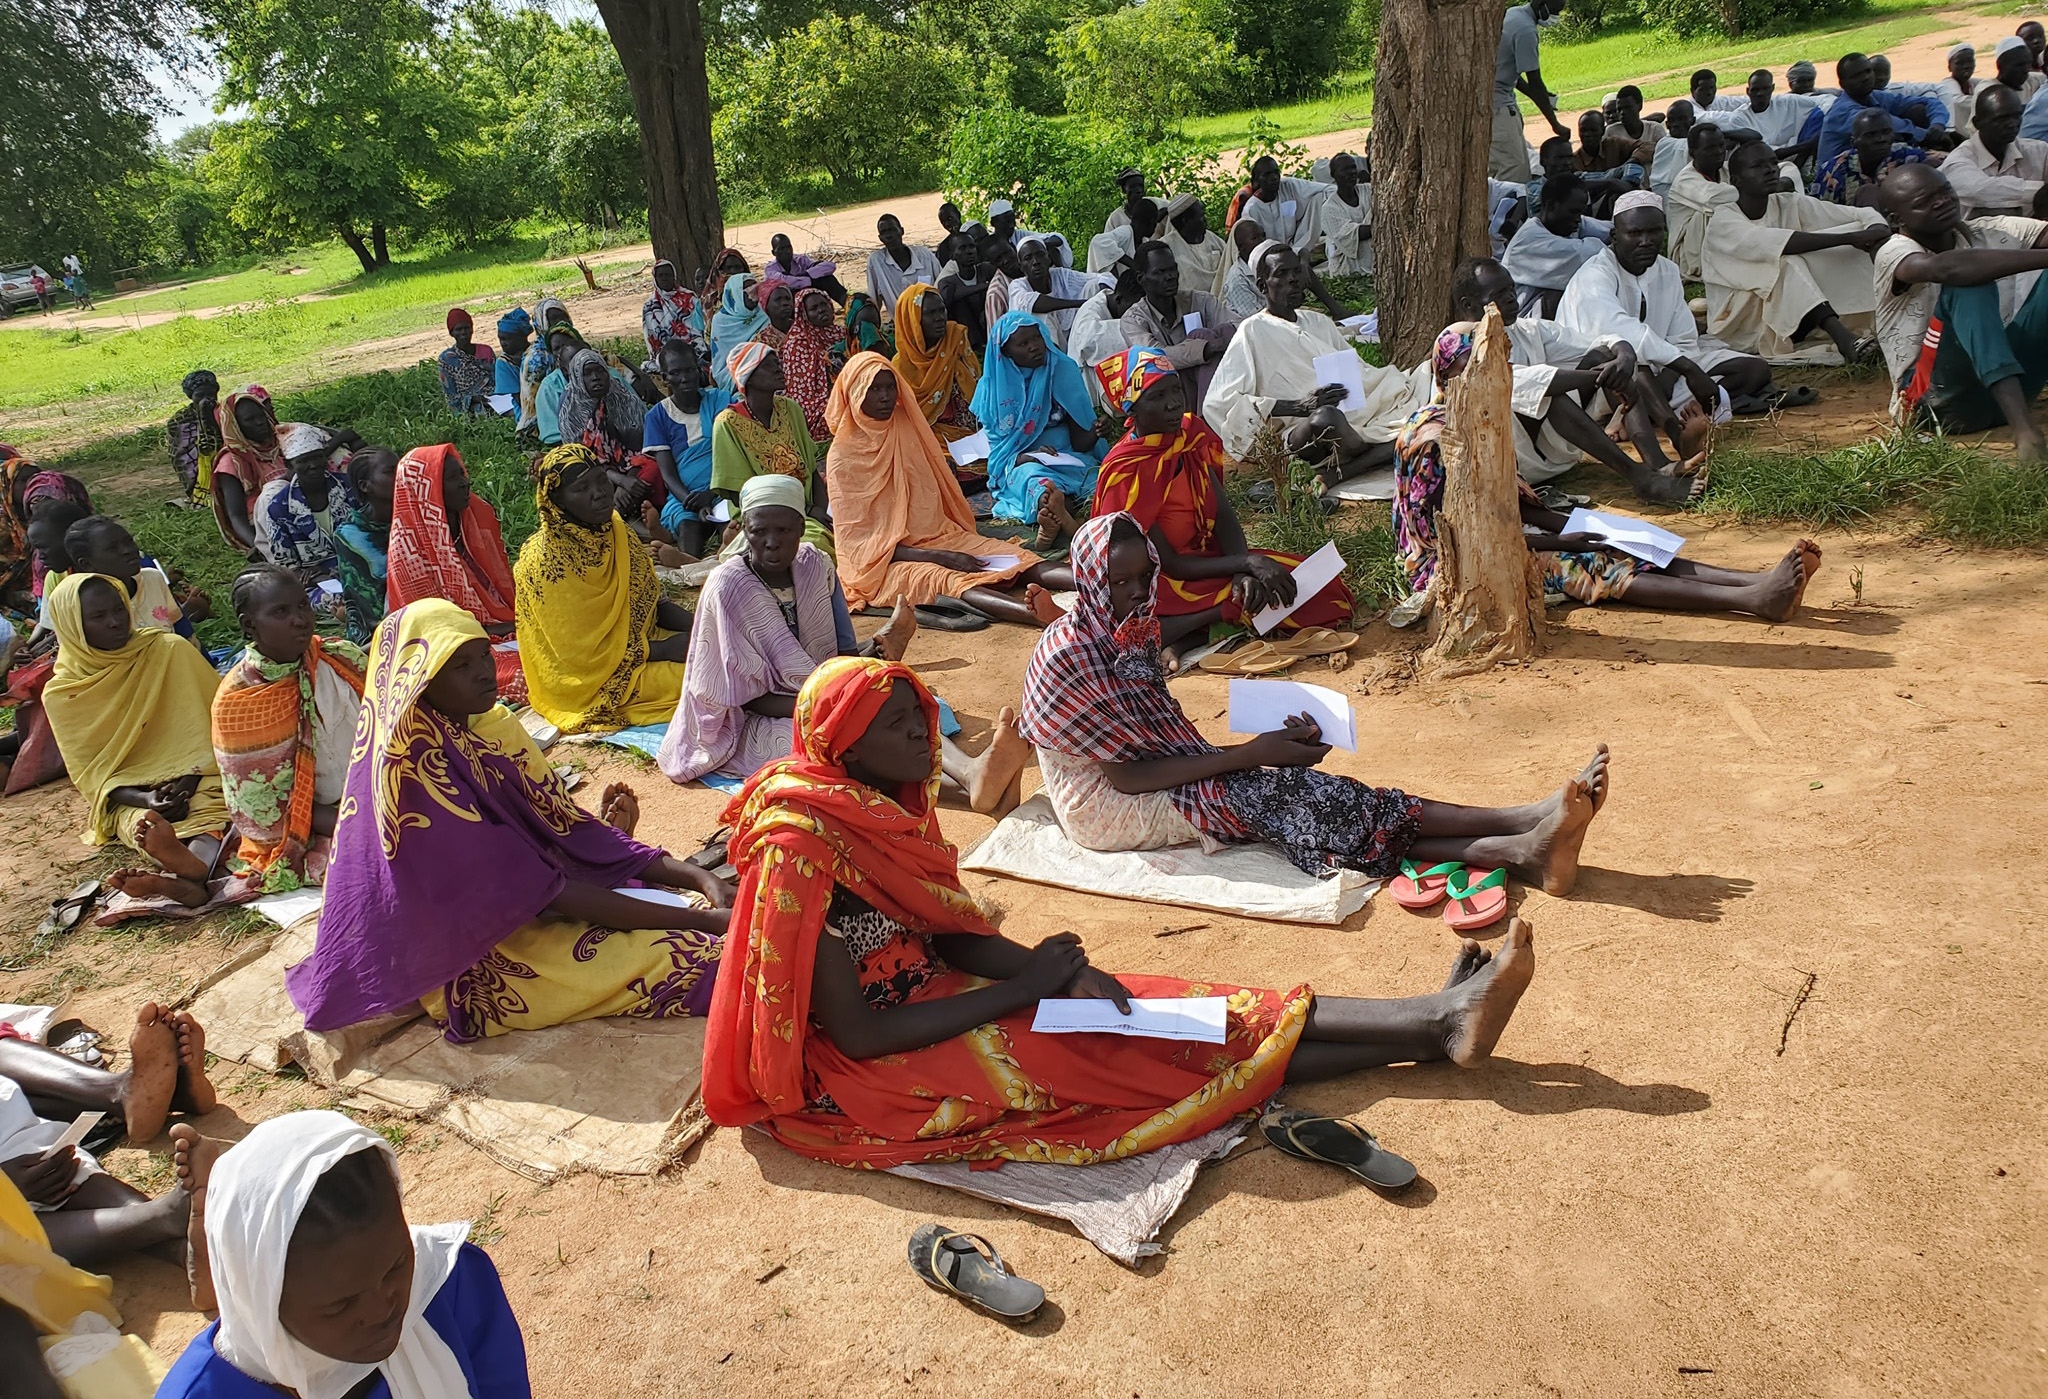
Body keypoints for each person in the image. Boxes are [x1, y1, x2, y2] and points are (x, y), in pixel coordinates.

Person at [702, 651, 1544, 1168]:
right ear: (841, 748)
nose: (925, 741)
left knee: (1154, 1011)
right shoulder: (801, 852)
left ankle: (1434, 1023)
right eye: (897, 728)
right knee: (1133, 1060)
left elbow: (955, 936)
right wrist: (1029, 987)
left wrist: (1062, 973)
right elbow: (860, 1035)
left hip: (951, 1006)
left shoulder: (879, 813)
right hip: (878, 1069)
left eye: (919, 717)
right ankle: (1433, 1024)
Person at [1021, 514, 1606, 891]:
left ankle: (1520, 840)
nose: (1137, 593)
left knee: (1295, 797)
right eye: (1119, 583)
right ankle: (1516, 833)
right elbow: (1126, 777)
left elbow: (1155, 727)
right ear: (1091, 581)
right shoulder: (1072, 655)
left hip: (1150, 773)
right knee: (1276, 794)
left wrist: (1259, 749)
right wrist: (1249, 755)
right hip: (1102, 805)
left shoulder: (1127, 626)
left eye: (1143, 576)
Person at [288, 599, 730, 1040]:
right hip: (471, 955)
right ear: (418, 683)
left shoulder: (475, 733)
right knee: (695, 958)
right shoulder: (416, 774)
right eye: (460, 665)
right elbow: (546, 893)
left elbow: (570, 828)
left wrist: (700, 879)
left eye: (482, 654)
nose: (484, 670)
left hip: (525, 899)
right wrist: (700, 920)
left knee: (673, 918)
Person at [1399, 327, 1824, 623]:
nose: (1505, 378)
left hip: (1501, 535)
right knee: (1587, 564)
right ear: (1458, 376)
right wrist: (1562, 540)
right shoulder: (1435, 443)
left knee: (1626, 542)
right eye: (1493, 370)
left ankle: (1753, 581)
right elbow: (1460, 541)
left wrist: (1590, 526)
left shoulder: (1473, 421)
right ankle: (1752, 601)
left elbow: (1509, 506)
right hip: (1448, 565)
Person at [156, 1110, 533, 1397]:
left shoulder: (451, 1285)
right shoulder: (208, 1391)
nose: (381, 1310)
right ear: (264, 1304)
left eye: (397, 1265)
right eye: (340, 1305)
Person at [1092, 348, 1351, 662]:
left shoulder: (1187, 437)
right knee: (1132, 631)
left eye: (1175, 389)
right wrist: (1245, 566)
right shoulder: (1127, 471)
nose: (1174, 402)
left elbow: (1223, 515)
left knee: (1323, 592)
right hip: (1158, 582)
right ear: (1132, 409)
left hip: (1207, 562)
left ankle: (1206, 624)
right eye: (1157, 396)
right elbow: (1168, 563)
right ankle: (1214, 615)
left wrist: (1241, 571)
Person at [825, 353, 1074, 625]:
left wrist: (944, 550)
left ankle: (1098, 579)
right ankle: (1040, 616)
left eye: (889, 387)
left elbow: (929, 504)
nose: (885, 396)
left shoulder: (904, 425)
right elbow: (860, 546)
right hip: (881, 566)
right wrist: (940, 557)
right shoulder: (843, 457)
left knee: (1015, 558)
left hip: (938, 536)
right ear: (854, 392)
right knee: (947, 580)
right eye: (874, 389)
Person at [44, 574, 231, 909]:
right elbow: (94, 776)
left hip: (200, 773)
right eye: (98, 617)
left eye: (119, 610)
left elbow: (216, 729)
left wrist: (186, 783)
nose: (115, 622)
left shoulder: (168, 650)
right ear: (71, 625)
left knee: (213, 804)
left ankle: (190, 873)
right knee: (142, 824)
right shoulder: (63, 693)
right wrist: (147, 798)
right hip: (133, 792)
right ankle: (189, 870)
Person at [1559, 193, 1774, 443]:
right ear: (1615, 236)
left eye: (1654, 232)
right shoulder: (1594, 276)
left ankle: (1651, 413)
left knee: (1753, 369)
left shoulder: (1667, 271)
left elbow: (1682, 339)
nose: (1646, 242)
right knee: (1636, 371)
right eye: (1635, 233)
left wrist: (1673, 377)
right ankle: (1675, 430)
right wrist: (1688, 369)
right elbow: (1621, 332)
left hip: (1662, 373)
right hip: (1603, 382)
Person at [1206, 242, 1422, 490]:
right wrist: (1298, 406)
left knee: (1421, 380)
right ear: (1263, 286)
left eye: (1296, 271)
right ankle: (1380, 449)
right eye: (1281, 274)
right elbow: (1217, 402)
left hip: (1358, 414)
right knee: (1325, 418)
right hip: (1302, 431)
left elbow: (1361, 372)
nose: (1293, 280)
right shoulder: (1252, 330)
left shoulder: (1320, 322)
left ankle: (1345, 470)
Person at [512, 445, 689, 734]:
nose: (600, 493)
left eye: (601, 480)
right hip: (590, 679)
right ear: (557, 501)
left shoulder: (618, 533)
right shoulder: (542, 561)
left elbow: (653, 604)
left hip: (642, 646)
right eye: (582, 488)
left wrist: (704, 629)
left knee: (728, 653)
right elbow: (578, 655)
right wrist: (665, 649)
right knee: (706, 679)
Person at [212, 566, 367, 893]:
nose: (300, 619)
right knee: (373, 862)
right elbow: (266, 811)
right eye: (281, 612)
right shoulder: (240, 700)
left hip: (377, 791)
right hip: (311, 822)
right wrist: (353, 819)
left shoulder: (339, 657)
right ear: (248, 624)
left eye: (302, 606)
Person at [1876, 162, 2048, 454]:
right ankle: (2025, 433)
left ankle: (2016, 415)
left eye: (1945, 191)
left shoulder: (1990, 229)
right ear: (1896, 219)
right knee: (1967, 282)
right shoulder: (1894, 251)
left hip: (2005, 395)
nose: (1942, 201)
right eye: (1925, 202)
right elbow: (1954, 268)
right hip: (1932, 404)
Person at [1449, 257, 1657, 489]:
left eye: (1511, 289)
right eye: (1499, 294)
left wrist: (1624, 353)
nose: (1511, 298)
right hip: (1505, 459)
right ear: (1469, 305)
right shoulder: (1458, 342)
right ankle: (1640, 478)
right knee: (1548, 393)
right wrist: (1600, 377)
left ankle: (1657, 464)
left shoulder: (1526, 329)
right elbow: (1514, 381)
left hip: (1551, 453)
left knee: (1604, 358)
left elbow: (1597, 343)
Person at [1703, 138, 1887, 361]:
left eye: (1772, 163)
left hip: (1786, 302)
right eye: (1758, 166)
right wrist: (1850, 238)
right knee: (1785, 263)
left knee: (1856, 233)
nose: (1770, 170)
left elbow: (1858, 215)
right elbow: (1777, 244)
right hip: (1742, 321)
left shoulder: (1789, 202)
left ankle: (1880, 316)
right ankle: (1844, 339)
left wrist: (1876, 229)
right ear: (1736, 181)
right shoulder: (1723, 220)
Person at [383, 444, 526, 706]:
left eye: (462, 474)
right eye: (451, 478)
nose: (464, 483)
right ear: (426, 488)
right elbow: (434, 631)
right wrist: (503, 627)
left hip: (504, 631)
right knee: (523, 673)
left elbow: (503, 591)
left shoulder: (475, 518)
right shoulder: (409, 548)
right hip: (453, 653)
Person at [972, 311, 1104, 538]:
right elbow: (1000, 454)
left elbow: (1081, 441)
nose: (1034, 346)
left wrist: (1095, 431)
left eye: (1036, 338)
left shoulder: (1061, 370)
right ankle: (1056, 512)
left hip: (1070, 456)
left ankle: (1062, 518)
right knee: (1035, 482)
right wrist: (1030, 456)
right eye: (1023, 343)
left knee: (1097, 480)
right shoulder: (993, 389)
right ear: (1005, 353)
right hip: (1026, 461)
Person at [711, 343, 834, 555]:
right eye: (768, 366)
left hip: (806, 512)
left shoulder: (790, 409)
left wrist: (818, 511)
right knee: (811, 549)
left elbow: (811, 469)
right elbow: (739, 492)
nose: (779, 369)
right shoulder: (727, 424)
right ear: (747, 375)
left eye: (777, 363)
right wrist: (803, 513)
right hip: (764, 518)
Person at [1117, 241, 1237, 413]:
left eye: (1172, 269)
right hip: (1168, 394)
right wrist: (1204, 349)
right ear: (1141, 278)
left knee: (1224, 331)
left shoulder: (1199, 300)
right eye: (1160, 272)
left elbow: (1240, 327)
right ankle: (1208, 417)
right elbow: (1156, 359)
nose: (1170, 276)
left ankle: (1212, 413)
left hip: (1213, 379)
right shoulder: (1132, 320)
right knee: (1201, 336)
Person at [643, 339, 733, 559]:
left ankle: (723, 552)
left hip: (724, 488)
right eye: (675, 373)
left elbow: (735, 452)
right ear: (664, 378)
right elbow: (668, 474)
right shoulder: (657, 416)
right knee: (687, 526)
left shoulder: (720, 400)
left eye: (690, 370)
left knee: (730, 523)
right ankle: (687, 560)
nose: (685, 378)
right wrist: (692, 502)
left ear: (699, 369)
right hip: (685, 495)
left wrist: (713, 494)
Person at [556, 346, 664, 519]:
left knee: (653, 468)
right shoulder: (570, 408)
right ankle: (621, 518)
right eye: (588, 373)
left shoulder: (622, 397)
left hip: (629, 470)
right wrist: (619, 481)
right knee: (578, 486)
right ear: (576, 378)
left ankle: (621, 517)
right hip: (593, 475)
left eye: (600, 371)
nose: (596, 378)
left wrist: (626, 482)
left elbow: (641, 447)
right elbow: (580, 460)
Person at [61, 515, 199, 640]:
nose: (128, 550)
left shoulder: (152, 579)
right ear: (87, 564)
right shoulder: (85, 606)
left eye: (129, 541)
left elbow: (184, 633)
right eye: (112, 548)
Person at [250, 424, 359, 582]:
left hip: (362, 568)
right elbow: (287, 566)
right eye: (304, 460)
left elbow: (372, 532)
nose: (313, 465)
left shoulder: (348, 487)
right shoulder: (279, 508)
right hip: (320, 583)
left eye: (318, 457)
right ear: (289, 465)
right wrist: (321, 575)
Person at [1807, 53, 1947, 170]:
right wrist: (1931, 136)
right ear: (1843, 84)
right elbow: (1893, 126)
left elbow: (1929, 102)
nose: (1866, 78)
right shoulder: (1843, 111)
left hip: (1867, 164)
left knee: (1918, 110)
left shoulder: (1875, 96)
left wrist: (1937, 126)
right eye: (1857, 75)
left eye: (1868, 71)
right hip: (1837, 173)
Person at [1502, 172, 1610, 317]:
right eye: (1573, 212)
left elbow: (1609, 229)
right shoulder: (1529, 240)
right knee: (1562, 294)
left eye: (1580, 212)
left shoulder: (1565, 222)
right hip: (1523, 320)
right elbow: (1583, 254)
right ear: (1551, 206)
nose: (1578, 219)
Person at [891, 283, 981, 448]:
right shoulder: (900, 368)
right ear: (912, 319)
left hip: (973, 432)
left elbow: (977, 388)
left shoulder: (955, 341)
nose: (940, 317)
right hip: (931, 436)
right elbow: (904, 422)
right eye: (931, 313)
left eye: (941, 310)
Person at [1494, 0, 1569, 182]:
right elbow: (1535, 81)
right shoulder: (1526, 31)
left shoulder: (1513, 13)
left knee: (1498, 166)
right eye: (1554, 10)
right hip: (1498, 107)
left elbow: (1512, 72)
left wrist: (1540, 95)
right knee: (1514, 170)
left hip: (1495, 100)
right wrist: (1555, 124)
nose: (1555, 16)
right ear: (1542, 3)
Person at [1945, 85, 2048, 218]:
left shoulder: (2039, 150)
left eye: (2017, 116)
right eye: (2002, 119)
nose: (2012, 124)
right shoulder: (1958, 161)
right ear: (1977, 123)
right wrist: (2040, 192)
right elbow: (1979, 190)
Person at [334, 446, 397, 643]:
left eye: (401, 468)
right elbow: (366, 603)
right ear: (364, 485)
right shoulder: (351, 536)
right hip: (381, 629)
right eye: (390, 472)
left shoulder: (414, 517)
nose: (400, 476)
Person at [1812, 106, 1934, 207]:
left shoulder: (1910, 158)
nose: (1881, 139)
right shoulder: (1834, 170)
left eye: (1886, 132)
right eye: (1871, 135)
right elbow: (1825, 213)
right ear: (1854, 142)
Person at [1007, 235, 1110, 354]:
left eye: (1040, 255)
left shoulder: (1060, 275)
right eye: (1028, 258)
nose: (1035, 262)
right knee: (1041, 315)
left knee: (1093, 285)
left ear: (1048, 259)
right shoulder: (1017, 285)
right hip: (1046, 346)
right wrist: (1085, 303)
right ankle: (1057, 365)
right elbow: (1035, 303)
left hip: (1076, 334)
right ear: (1021, 267)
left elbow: (1103, 277)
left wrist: (1099, 293)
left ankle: (1099, 345)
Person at [778, 287, 846, 441]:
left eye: (824, 304)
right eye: (814, 308)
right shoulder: (798, 343)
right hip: (814, 402)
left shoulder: (840, 333)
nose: (822, 310)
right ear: (803, 314)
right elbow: (803, 394)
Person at [866, 215, 945, 324]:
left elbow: (943, 286)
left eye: (892, 230)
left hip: (931, 323)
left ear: (901, 231)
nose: (889, 236)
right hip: (901, 326)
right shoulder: (876, 262)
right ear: (880, 238)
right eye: (884, 232)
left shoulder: (924, 255)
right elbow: (873, 301)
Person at [1308, 151, 1373, 275]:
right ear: (1334, 175)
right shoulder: (1329, 209)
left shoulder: (1368, 191)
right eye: (1345, 170)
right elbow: (1355, 234)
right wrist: (1382, 226)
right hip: (1348, 270)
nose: (1351, 173)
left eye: (1353, 168)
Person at [514, 296, 572, 432]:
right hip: (540, 423)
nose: (560, 323)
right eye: (553, 319)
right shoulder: (536, 358)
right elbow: (533, 404)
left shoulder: (573, 343)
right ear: (542, 323)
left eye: (563, 317)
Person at [166, 369, 220, 507]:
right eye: (200, 395)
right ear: (191, 397)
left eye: (211, 394)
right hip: (198, 479)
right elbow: (181, 459)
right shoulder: (180, 421)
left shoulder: (225, 412)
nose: (207, 399)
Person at [1163, 193, 1230, 299]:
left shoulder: (1214, 240)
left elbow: (1229, 264)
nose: (1205, 220)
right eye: (1201, 215)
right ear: (1185, 220)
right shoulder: (1166, 247)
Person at [708, 274, 769, 391]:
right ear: (735, 294)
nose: (754, 297)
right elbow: (722, 359)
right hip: (730, 376)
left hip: (763, 372)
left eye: (756, 290)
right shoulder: (721, 321)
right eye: (749, 292)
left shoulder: (763, 314)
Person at [436, 309, 496, 415]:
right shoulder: (447, 359)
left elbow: (497, 378)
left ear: (472, 329)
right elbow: (451, 396)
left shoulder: (486, 350)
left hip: (495, 399)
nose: (463, 332)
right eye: (458, 329)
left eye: (466, 328)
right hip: (470, 406)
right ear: (451, 333)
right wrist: (473, 399)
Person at [641, 259, 703, 358]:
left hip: (694, 346)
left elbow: (699, 328)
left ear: (674, 277)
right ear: (655, 278)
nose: (664, 278)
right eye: (660, 276)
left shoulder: (689, 298)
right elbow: (652, 336)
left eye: (668, 275)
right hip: (666, 351)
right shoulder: (650, 306)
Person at [764, 231, 848, 304]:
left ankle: (848, 304)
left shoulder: (799, 260)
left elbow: (829, 266)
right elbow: (787, 282)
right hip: (787, 301)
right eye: (781, 249)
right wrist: (811, 280)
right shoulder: (770, 269)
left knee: (827, 278)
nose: (787, 251)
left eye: (789, 247)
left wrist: (807, 274)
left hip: (805, 294)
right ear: (773, 253)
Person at [1600, 85, 1667, 173]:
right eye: (1619, 109)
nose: (1622, 113)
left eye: (1627, 108)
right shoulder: (1611, 131)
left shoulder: (1655, 129)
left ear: (1639, 106)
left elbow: (1665, 158)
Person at [1220, 219, 1271, 321]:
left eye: (1263, 236)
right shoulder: (1237, 278)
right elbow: (1255, 319)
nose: (1262, 241)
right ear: (1241, 246)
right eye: (1254, 238)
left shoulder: (1268, 263)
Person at [1650, 99, 1696, 199]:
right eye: (1671, 120)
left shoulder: (1693, 139)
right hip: (1665, 197)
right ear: (1666, 125)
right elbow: (1695, 145)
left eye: (1682, 119)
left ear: (1692, 121)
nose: (1676, 124)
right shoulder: (1664, 143)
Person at [1937, 43, 1981, 137]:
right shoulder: (1947, 85)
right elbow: (1958, 101)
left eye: (1970, 61)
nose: (1966, 66)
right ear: (1949, 67)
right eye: (1959, 63)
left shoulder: (1972, 83)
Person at [1993, 35, 2047, 104]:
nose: (2026, 70)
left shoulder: (2034, 80)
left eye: (2028, 63)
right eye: (2019, 65)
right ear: (1999, 65)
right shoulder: (1990, 93)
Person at [493, 309, 532, 399]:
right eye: (500, 339)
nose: (503, 343)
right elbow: (508, 398)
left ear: (521, 337)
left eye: (507, 339)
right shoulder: (503, 362)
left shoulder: (536, 355)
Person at [750, 280, 797, 353]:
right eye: (778, 299)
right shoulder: (762, 341)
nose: (785, 303)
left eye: (788, 298)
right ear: (766, 305)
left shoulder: (805, 329)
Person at [1105, 167, 1152, 232]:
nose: (1138, 190)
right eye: (1133, 186)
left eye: (1141, 186)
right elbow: (1108, 240)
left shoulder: (1154, 206)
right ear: (1124, 189)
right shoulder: (1116, 218)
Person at [845, 291, 891, 356]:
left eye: (874, 325)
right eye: (861, 326)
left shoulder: (893, 346)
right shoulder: (837, 355)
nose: (871, 338)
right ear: (851, 327)